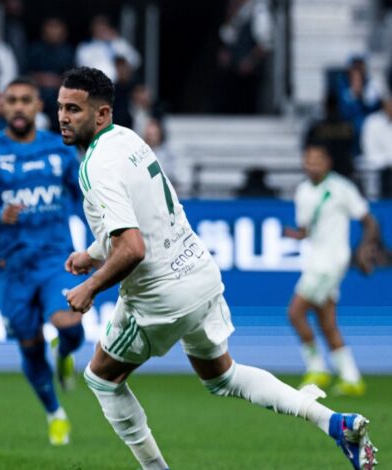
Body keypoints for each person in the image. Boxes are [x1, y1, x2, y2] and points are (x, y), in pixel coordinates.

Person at [57, 67, 377, 470]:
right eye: (61, 108)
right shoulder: (129, 140)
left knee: (101, 378)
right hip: (199, 274)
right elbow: (147, 221)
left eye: (74, 109)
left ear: (101, 114)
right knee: (223, 377)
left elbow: (133, 249)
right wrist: (93, 252)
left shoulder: (96, 166)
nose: (64, 117)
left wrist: (90, 287)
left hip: (162, 295)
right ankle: (334, 422)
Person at [0, 77, 86, 445]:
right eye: (12, 100)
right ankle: (55, 413)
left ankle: (65, 353)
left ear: (38, 106)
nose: (18, 107)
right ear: (2, 106)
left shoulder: (61, 150)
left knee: (69, 324)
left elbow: (84, 196)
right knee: (30, 344)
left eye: (26, 100)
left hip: (55, 259)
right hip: (11, 267)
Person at [284, 143, 380, 397]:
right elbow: (306, 231)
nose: (313, 164)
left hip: (331, 263)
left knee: (295, 313)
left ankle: (317, 368)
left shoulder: (341, 188)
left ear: (327, 163)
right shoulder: (303, 191)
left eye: (318, 160)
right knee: (327, 322)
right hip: (316, 260)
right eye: (309, 160)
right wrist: (295, 235)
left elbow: (369, 222)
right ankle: (351, 377)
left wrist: (364, 249)